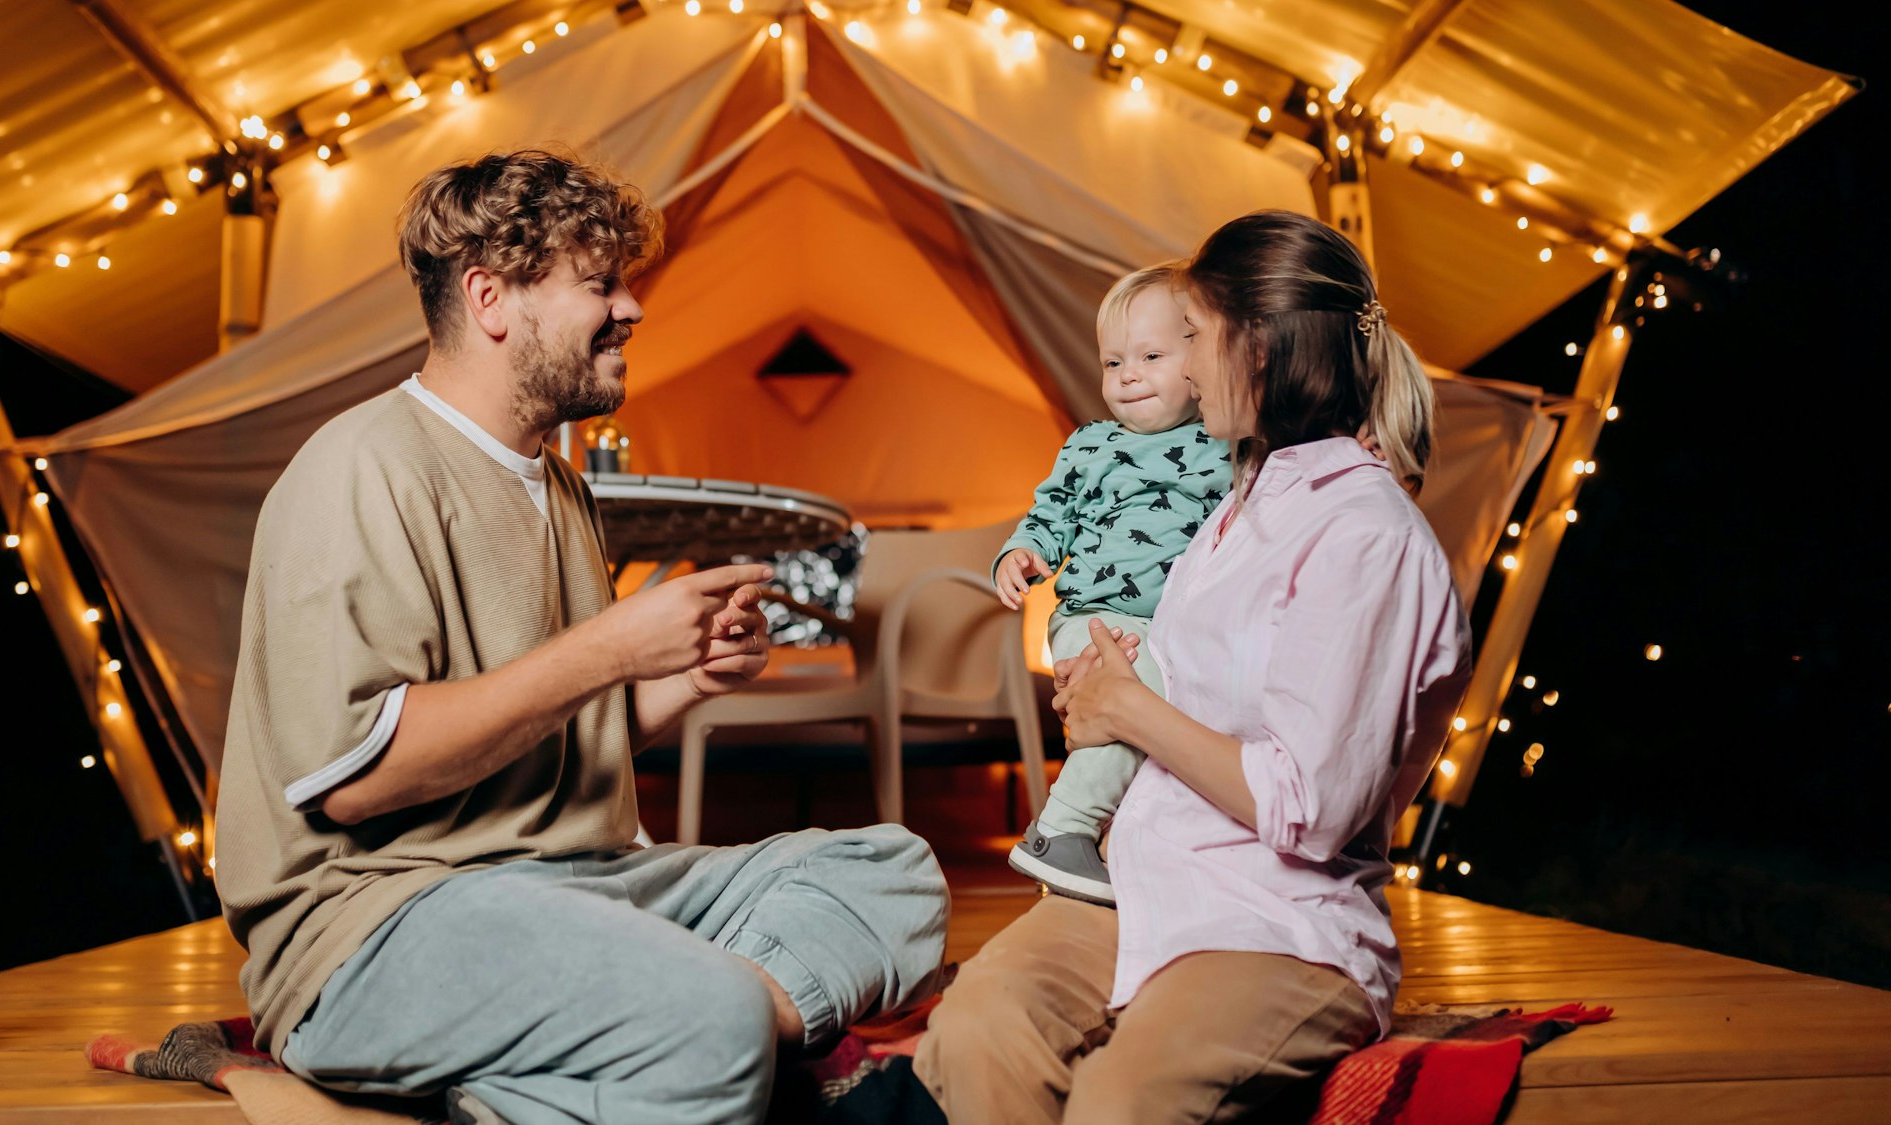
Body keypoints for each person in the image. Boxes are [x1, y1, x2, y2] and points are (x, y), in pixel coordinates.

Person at [213, 149, 949, 1125]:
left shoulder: (561, 491)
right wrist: (609, 649)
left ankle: (630, 1047)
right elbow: (356, 777)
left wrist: (681, 677)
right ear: (490, 300)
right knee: (711, 1003)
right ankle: (685, 1029)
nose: (632, 309)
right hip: (384, 923)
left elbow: (553, 737)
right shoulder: (359, 470)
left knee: (892, 870)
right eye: (600, 284)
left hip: (587, 884)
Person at [916, 209, 1472, 1123]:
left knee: (1120, 1103)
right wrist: (1103, 684)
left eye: (1197, 338)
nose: (1179, 365)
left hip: (1276, 922)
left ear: (1257, 349)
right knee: (977, 1031)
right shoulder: (1235, 501)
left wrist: (1128, 711)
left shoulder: (1362, 535)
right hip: (1136, 885)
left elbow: (1313, 810)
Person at [992, 266, 1231, 905]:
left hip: (1177, 627)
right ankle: (1063, 829)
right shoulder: (1091, 445)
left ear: (1202, 357)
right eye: (1113, 361)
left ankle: (1122, 849)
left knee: (1151, 717)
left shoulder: (1226, 443)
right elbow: (1051, 512)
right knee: (1131, 691)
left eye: (1151, 356)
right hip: (1094, 614)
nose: (1127, 375)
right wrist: (1020, 551)